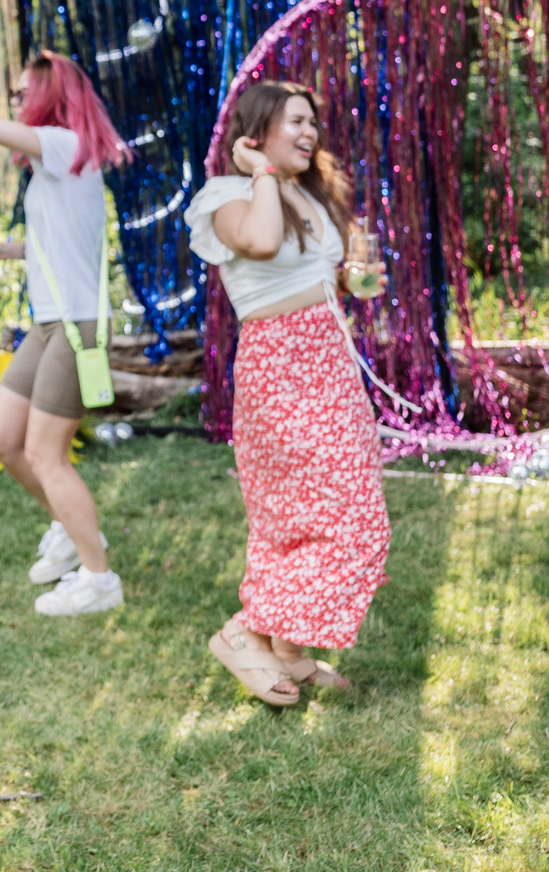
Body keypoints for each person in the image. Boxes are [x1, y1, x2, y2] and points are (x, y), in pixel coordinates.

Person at [184, 81, 389, 706]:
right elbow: (263, 244)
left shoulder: (309, 194)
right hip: (280, 366)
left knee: (322, 512)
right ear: (257, 132)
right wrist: (259, 175)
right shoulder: (224, 196)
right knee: (329, 514)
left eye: (312, 123)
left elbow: (316, 271)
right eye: (295, 121)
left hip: (330, 359)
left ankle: (288, 651)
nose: (310, 133)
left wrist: (351, 278)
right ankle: (244, 632)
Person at [0, 50, 131, 616]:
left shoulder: (63, 145)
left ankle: (98, 579)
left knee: (46, 454)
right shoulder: (55, 165)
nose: (12, 105)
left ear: (49, 98)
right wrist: (0, 250)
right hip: (48, 322)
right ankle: (69, 527)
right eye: (11, 97)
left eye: (20, 94)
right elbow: (61, 242)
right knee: (2, 439)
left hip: (77, 326)